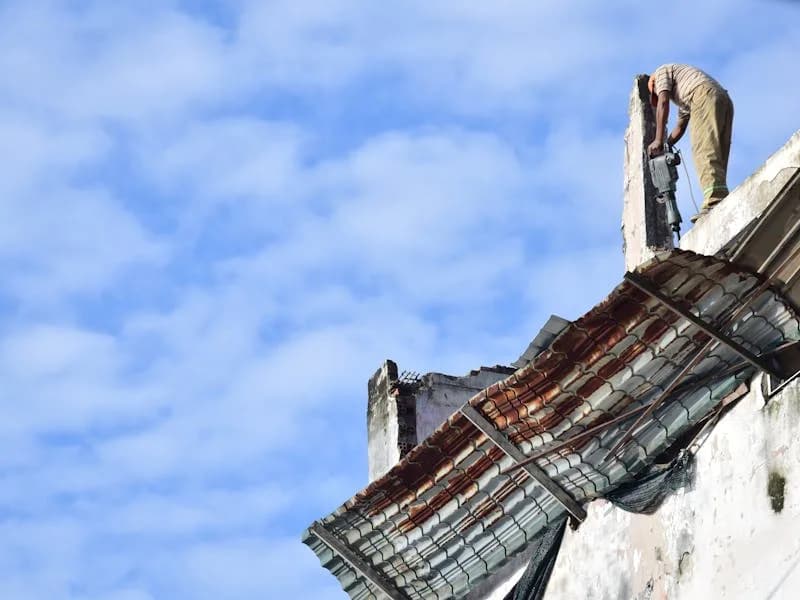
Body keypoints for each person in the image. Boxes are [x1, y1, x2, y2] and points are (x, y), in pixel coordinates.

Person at [647, 64, 734, 222]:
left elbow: (663, 103)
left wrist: (658, 140)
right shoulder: (685, 93)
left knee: (703, 149)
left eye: (656, 93)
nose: (658, 95)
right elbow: (680, 127)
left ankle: (714, 200)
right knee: (717, 150)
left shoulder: (660, 73)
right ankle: (721, 196)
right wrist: (666, 145)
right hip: (722, 98)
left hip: (703, 95)